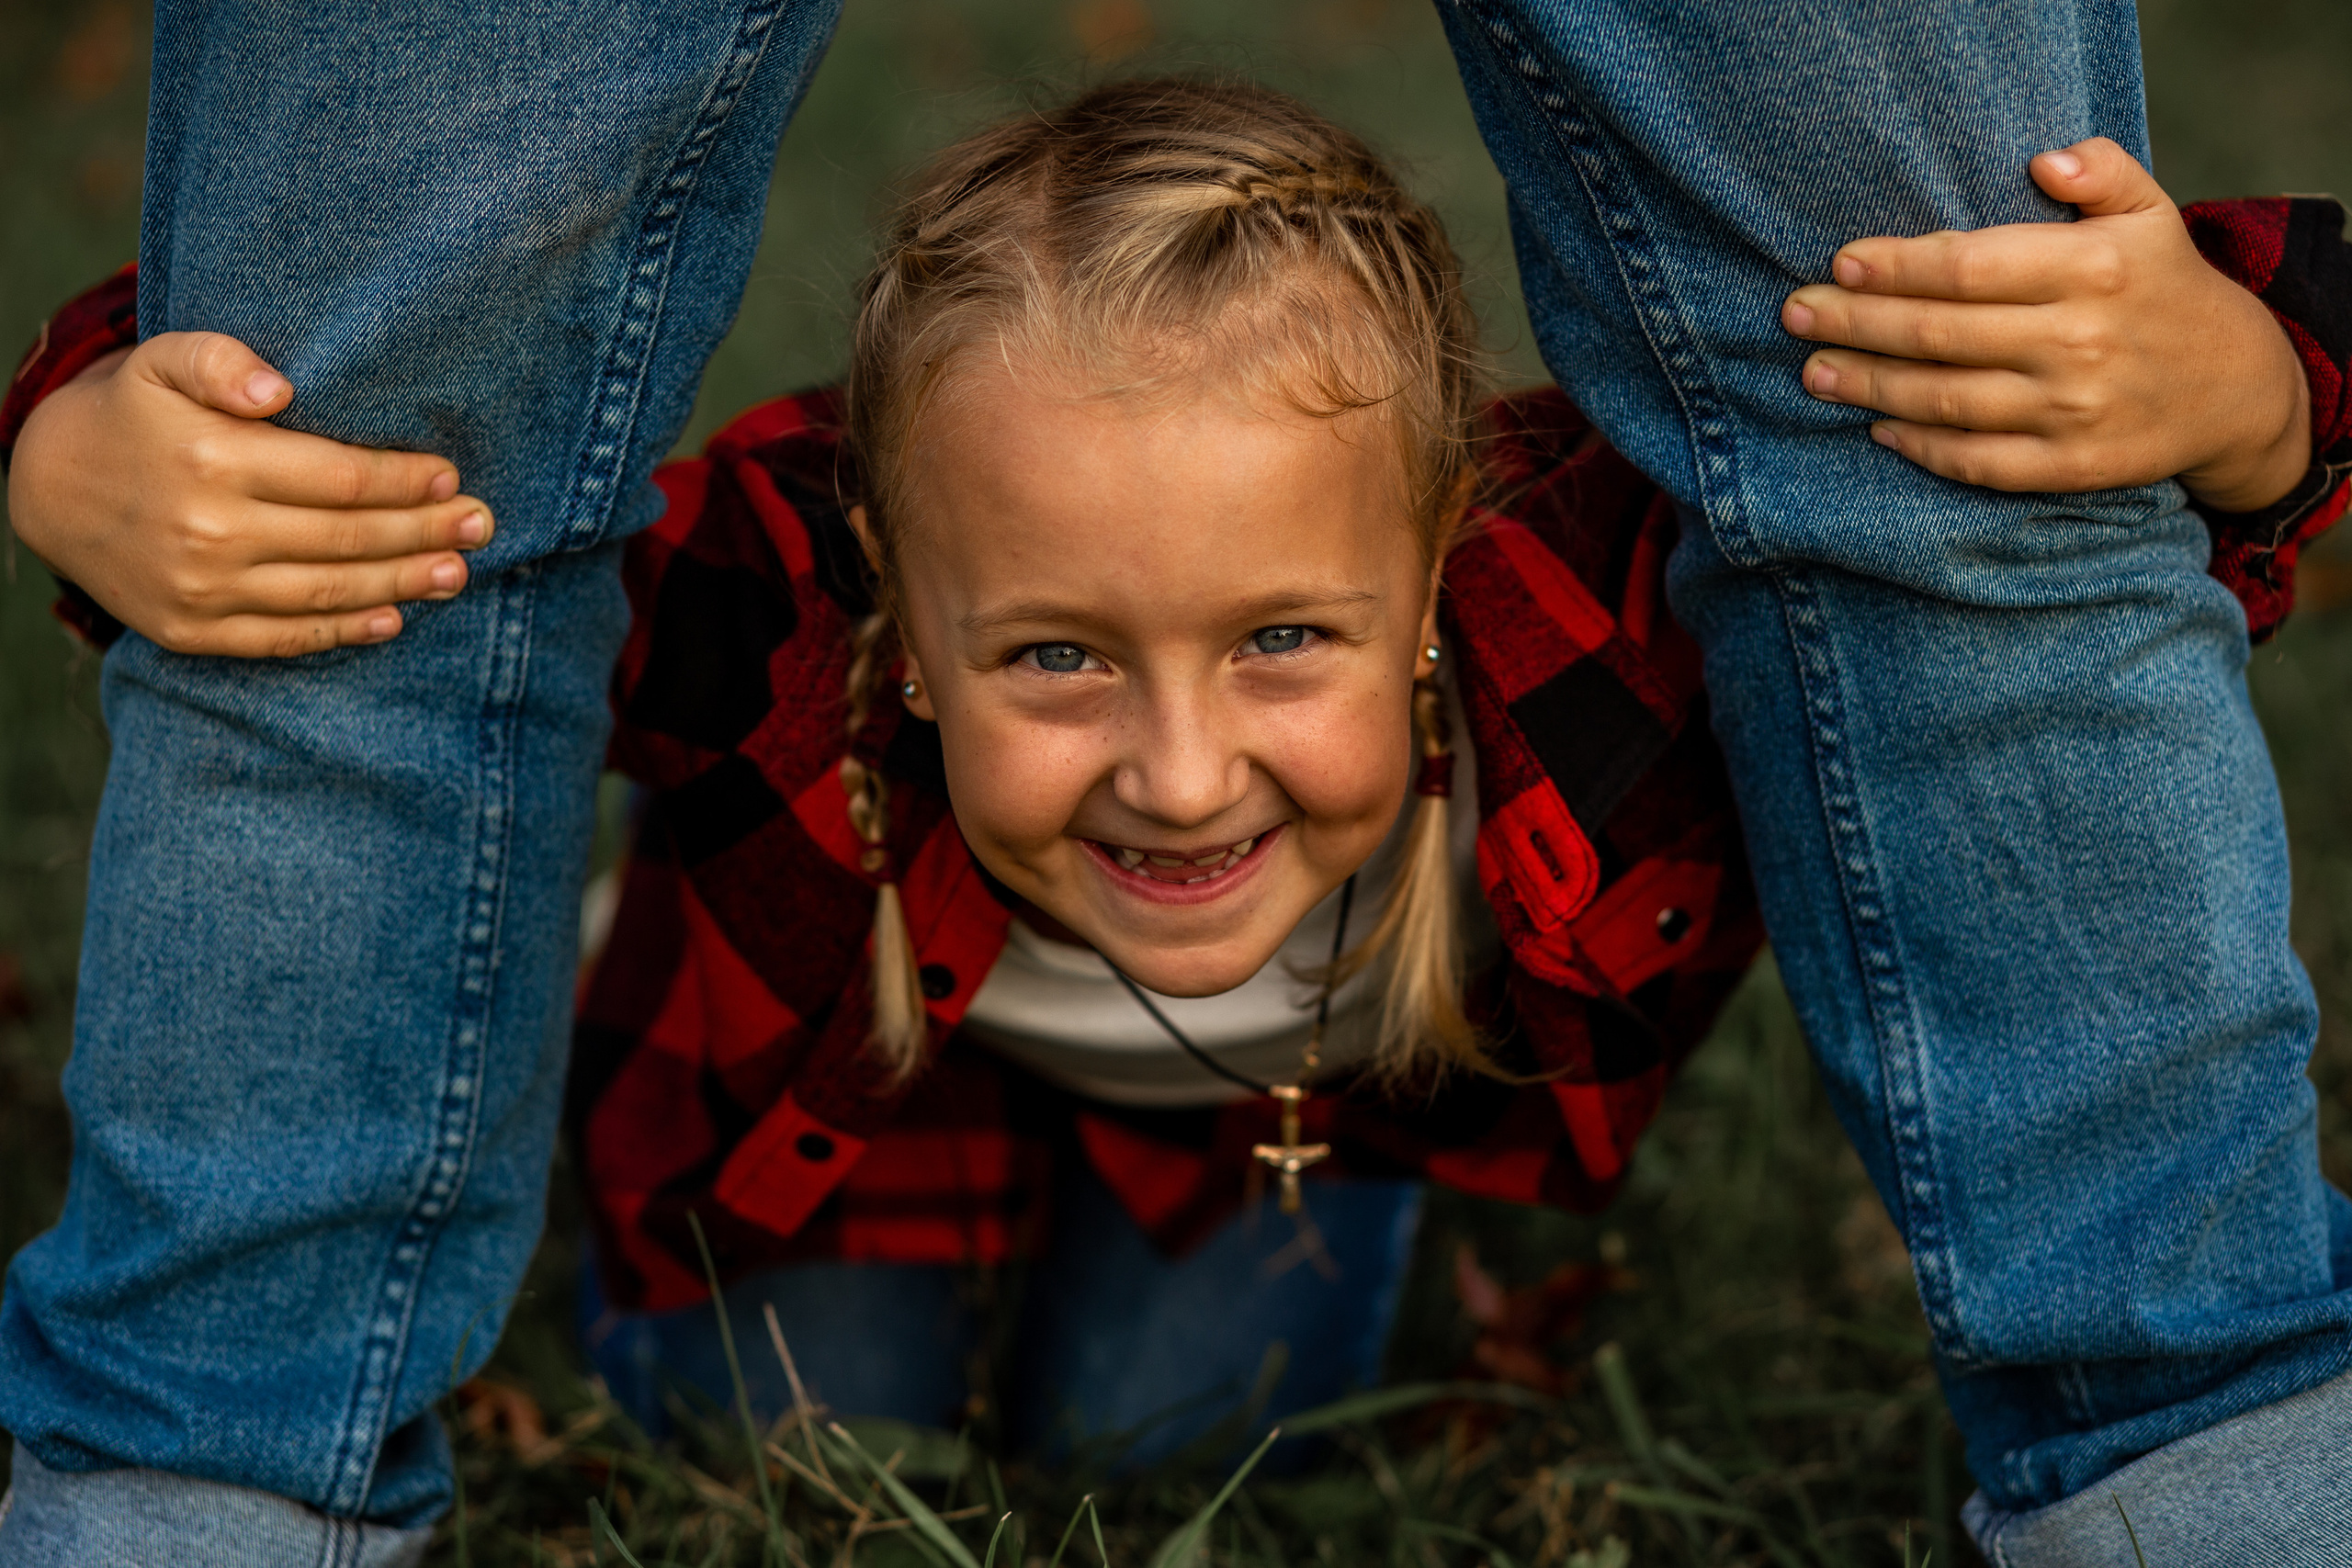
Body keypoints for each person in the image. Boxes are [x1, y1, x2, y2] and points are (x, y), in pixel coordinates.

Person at [6, 49, 2350, 1559]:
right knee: (786, 1405)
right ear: (894, 614)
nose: (1178, 766)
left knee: (1174, 1429)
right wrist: (78, 435)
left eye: (1281, 641)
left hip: (1286, 1134)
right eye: (1048, 653)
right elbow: (400, 550)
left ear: (1432, 576)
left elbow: (2003, 530)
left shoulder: (1600, 639)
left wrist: (2249, 386)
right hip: (857, 1107)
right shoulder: (780, 603)